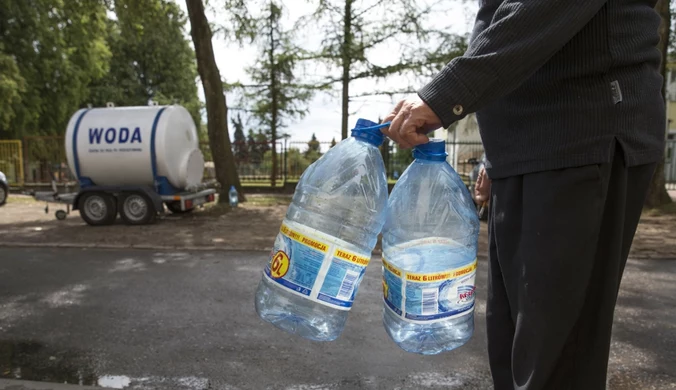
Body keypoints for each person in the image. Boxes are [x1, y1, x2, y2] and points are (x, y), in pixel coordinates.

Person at [381, 1, 665, 389]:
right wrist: (498, 155)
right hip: (527, 150)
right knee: (515, 348)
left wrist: (447, 95)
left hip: (579, 135)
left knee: (555, 363)